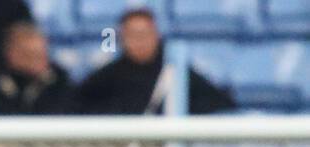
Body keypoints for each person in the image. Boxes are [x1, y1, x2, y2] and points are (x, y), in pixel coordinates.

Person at [76, 8, 234, 115]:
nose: (140, 41)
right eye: (133, 35)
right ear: (122, 38)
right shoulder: (106, 78)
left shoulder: (176, 74)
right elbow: (77, 109)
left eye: (145, 34)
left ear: (156, 35)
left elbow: (221, 104)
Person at [0, 20, 72, 115]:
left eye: (41, 54)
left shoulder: (59, 82)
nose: (38, 62)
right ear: (11, 54)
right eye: (29, 55)